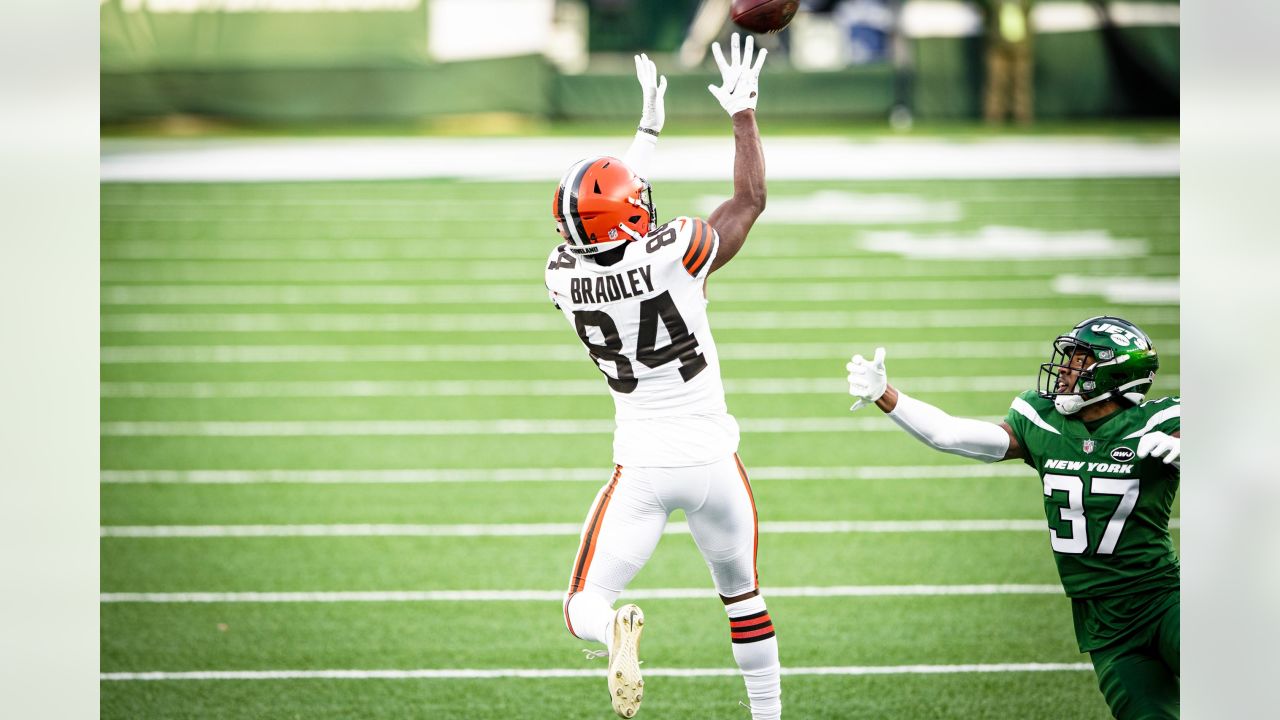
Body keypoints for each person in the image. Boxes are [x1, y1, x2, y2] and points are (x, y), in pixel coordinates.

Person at [545, 34, 779, 720]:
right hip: (714, 459)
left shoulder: (561, 277)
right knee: (744, 598)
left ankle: (611, 636)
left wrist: (644, 134)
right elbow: (749, 199)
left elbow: (603, 219)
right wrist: (742, 114)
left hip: (643, 465)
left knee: (584, 603)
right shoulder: (677, 249)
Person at [846, 316, 1180, 719]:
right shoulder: (1043, 422)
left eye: (1079, 362)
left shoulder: (1157, 422)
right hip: (1104, 621)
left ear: (1113, 373)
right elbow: (948, 434)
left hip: (1165, 600)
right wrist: (887, 395)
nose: (1064, 370)